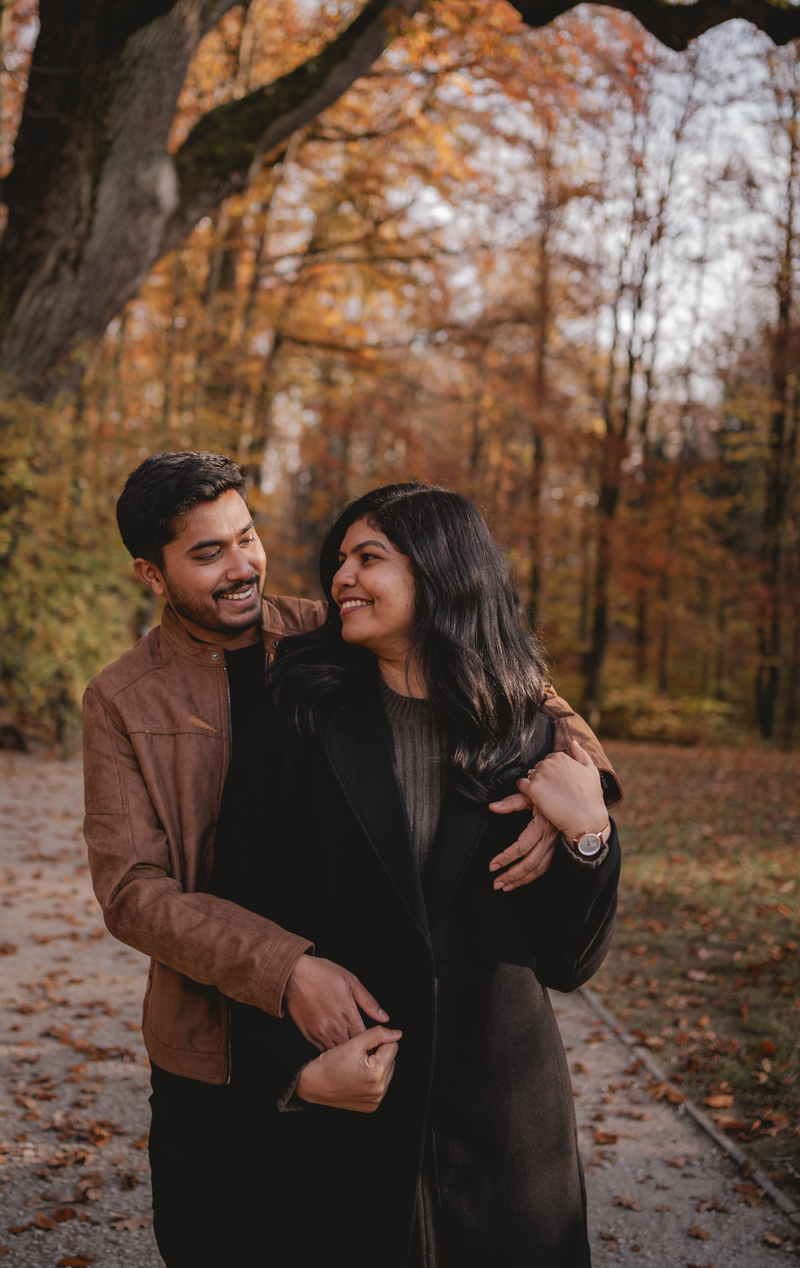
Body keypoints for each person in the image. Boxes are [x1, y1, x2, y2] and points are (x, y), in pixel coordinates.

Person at [209, 482, 622, 1268]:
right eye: (339, 559)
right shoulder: (297, 715)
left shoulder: (530, 737)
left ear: (440, 572)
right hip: (349, 1125)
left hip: (505, 1139)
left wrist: (589, 832)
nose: (340, 577)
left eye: (369, 557)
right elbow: (240, 910)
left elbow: (572, 961)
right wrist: (297, 1071)